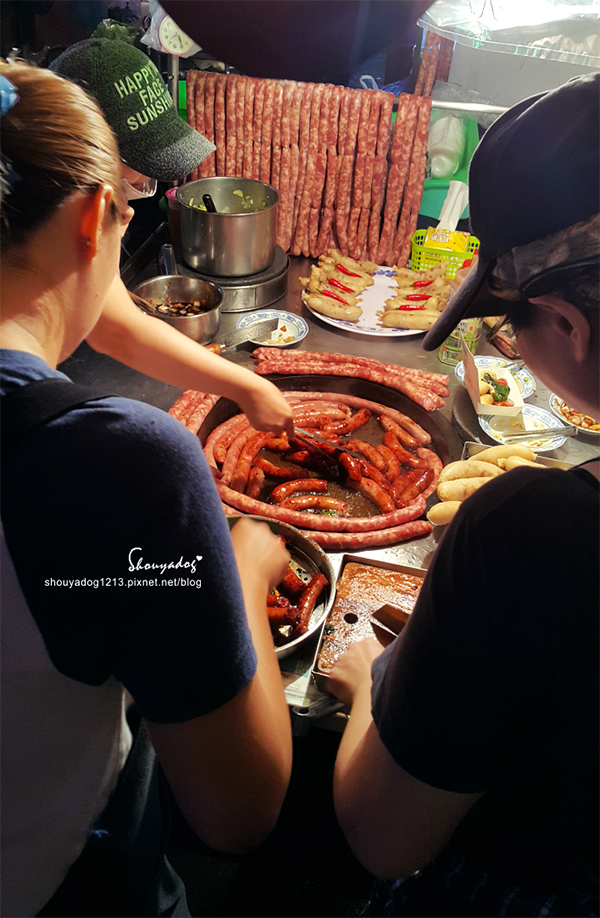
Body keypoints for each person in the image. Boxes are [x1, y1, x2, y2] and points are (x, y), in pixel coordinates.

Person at [0, 62, 292, 918]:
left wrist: (244, 388)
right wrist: (245, 571)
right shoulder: (113, 468)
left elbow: (94, 305)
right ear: (97, 218)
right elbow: (241, 810)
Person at [327, 72, 600, 918]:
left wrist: (368, 681)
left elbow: (383, 838)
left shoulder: (527, 530)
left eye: (507, 321)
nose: (507, 342)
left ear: (568, 323)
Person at [50, 38, 294, 436]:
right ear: (79, 158)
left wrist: (248, 388)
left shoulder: (76, 210)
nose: (132, 206)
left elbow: (119, 328)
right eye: (135, 175)